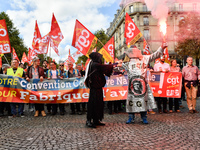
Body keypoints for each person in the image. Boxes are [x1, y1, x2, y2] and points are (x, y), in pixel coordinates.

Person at [122, 43, 167, 124]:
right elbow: (118, 68)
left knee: (143, 101)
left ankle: (144, 117)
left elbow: (155, 55)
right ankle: (131, 117)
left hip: (143, 85)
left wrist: (162, 47)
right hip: (132, 86)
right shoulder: (126, 61)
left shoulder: (144, 58)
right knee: (131, 101)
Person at [85, 52, 113, 128]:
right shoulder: (94, 64)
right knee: (93, 104)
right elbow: (104, 68)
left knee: (98, 104)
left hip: (97, 88)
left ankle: (96, 120)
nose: (100, 59)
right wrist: (113, 65)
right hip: (95, 88)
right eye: (100, 58)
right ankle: (89, 121)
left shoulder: (92, 64)